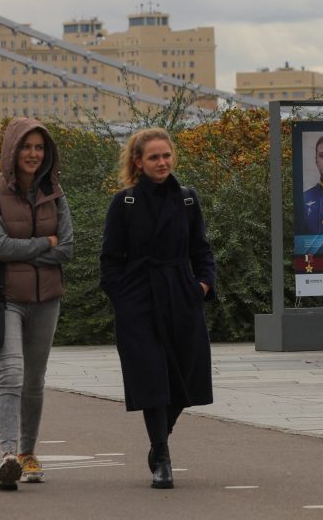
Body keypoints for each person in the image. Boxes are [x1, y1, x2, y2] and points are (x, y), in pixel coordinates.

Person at [100, 128, 216, 489]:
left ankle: (160, 437)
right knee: (152, 377)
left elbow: (202, 249)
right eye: (153, 157)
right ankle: (162, 456)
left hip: (181, 296)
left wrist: (201, 285)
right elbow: (109, 260)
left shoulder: (187, 199)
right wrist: (123, 297)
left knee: (186, 374)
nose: (162, 162)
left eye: (166, 155)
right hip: (140, 301)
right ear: (138, 162)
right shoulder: (125, 203)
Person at [0, 118, 73, 491]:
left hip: (46, 297)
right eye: (26, 147)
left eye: (40, 148)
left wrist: (35, 250)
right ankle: (8, 456)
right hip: (3, 297)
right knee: (12, 374)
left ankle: (29, 452)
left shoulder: (55, 193)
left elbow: (67, 248)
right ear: (11, 150)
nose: (33, 154)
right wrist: (44, 244)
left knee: (34, 380)